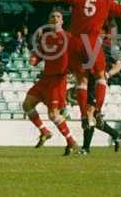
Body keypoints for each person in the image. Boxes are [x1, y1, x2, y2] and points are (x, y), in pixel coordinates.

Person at [26, 0, 121, 131]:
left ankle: (83, 115)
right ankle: (98, 111)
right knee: (100, 77)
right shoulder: (106, 2)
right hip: (92, 42)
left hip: (75, 42)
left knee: (81, 81)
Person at [22, 10, 78, 156]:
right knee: (27, 104)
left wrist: (74, 72)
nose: (55, 18)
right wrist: (34, 59)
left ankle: (71, 141)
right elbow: (39, 54)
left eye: (58, 16)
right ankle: (44, 131)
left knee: (53, 114)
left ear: (62, 21)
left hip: (58, 80)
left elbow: (76, 55)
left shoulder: (68, 37)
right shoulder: (46, 38)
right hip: (45, 78)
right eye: (52, 16)